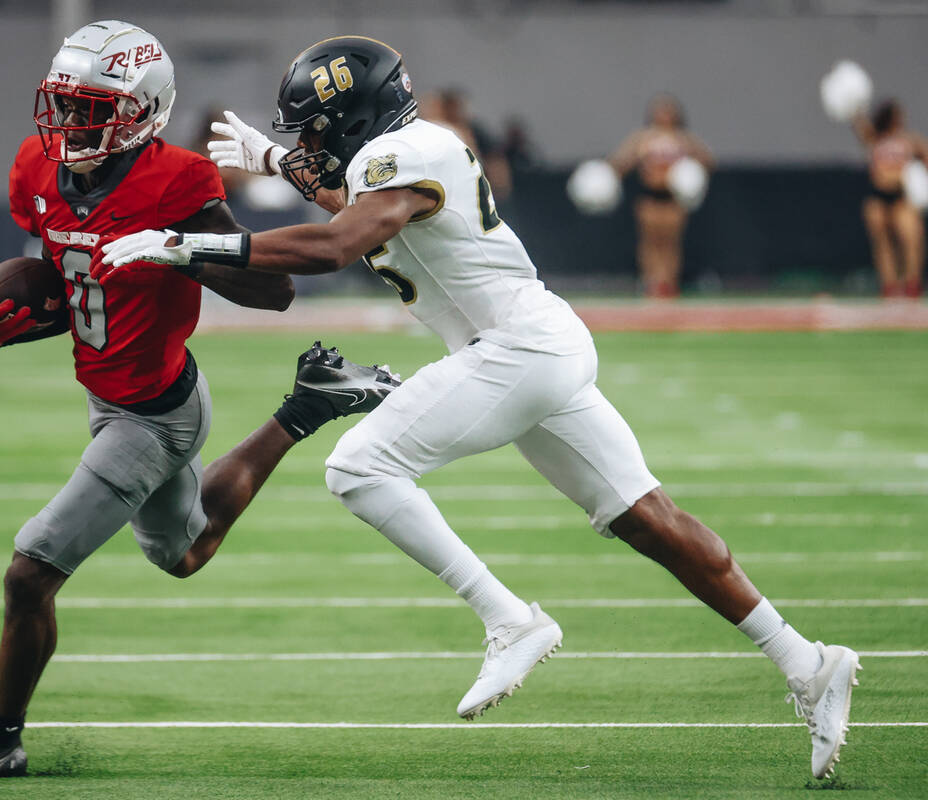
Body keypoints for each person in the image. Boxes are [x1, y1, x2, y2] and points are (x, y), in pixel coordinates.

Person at [102, 36, 860, 780]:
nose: (305, 142)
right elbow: (354, 204)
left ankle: (509, 618)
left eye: (314, 128)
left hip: (515, 350)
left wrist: (182, 248)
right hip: (536, 344)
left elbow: (340, 243)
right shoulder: (407, 152)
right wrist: (271, 164)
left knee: (358, 466)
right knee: (646, 516)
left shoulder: (404, 156)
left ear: (356, 118)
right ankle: (808, 662)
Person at [0, 21, 398, 781]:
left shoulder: (178, 180)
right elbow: (78, 285)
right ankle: (306, 406)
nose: (71, 124)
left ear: (143, 111)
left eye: (92, 108)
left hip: (154, 414)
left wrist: (180, 244)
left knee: (29, 572)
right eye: (65, 105)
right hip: (118, 396)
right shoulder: (36, 166)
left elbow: (276, 292)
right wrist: (20, 320)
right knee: (184, 553)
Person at [608, 94, 714, 299]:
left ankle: (669, 283)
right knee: (650, 243)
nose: (664, 115)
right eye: (660, 110)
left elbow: (707, 159)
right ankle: (651, 281)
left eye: (668, 111)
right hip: (650, 197)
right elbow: (621, 161)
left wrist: (692, 172)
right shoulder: (643, 138)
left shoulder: (683, 139)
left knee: (671, 243)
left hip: (672, 199)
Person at [852, 99, 928, 298]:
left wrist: (919, 179)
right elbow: (859, 127)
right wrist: (855, 108)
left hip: (901, 196)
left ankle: (912, 282)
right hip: (877, 195)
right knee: (882, 242)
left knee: (911, 237)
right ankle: (890, 284)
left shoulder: (909, 140)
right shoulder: (875, 138)